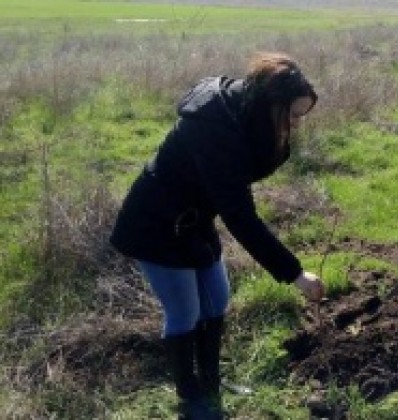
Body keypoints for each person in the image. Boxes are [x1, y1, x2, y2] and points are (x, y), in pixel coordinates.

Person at [110, 52, 325, 419]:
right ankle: (190, 396)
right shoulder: (215, 128)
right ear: (269, 106)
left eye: (300, 117)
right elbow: (240, 215)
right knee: (185, 311)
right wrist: (294, 273)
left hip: (195, 220)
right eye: (291, 115)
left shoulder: (245, 114)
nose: (295, 125)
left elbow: (240, 182)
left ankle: (211, 381)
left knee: (217, 300)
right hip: (156, 225)